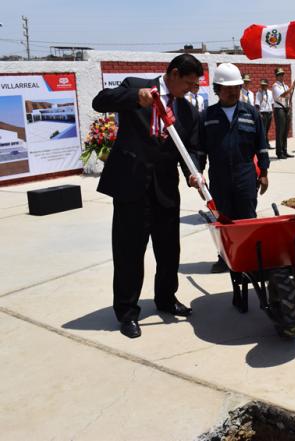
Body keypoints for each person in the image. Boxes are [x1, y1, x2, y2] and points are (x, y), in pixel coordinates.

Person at [92, 54, 203, 338]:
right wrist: (133, 97)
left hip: (165, 188)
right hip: (132, 186)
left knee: (169, 250)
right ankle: (127, 312)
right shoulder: (138, 87)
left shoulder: (187, 111)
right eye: (188, 83)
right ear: (174, 74)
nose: (191, 89)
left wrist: (194, 170)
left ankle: (166, 299)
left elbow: (189, 149)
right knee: (129, 252)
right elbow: (100, 101)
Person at [189, 63, 269, 273]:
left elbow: (261, 146)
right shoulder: (207, 116)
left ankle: (250, 259)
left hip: (245, 176)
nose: (233, 92)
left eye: (236, 87)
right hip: (219, 177)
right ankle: (225, 258)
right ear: (217, 89)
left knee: (247, 219)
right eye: (228, 88)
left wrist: (264, 172)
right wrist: (199, 175)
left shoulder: (251, 113)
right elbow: (200, 151)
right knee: (223, 220)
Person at [272, 68, 295, 159]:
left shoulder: (285, 86)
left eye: (282, 74)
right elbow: (282, 95)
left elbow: (288, 96)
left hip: (286, 109)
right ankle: (279, 152)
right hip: (279, 109)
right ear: (277, 76)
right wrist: (292, 87)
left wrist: (291, 90)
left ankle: (284, 150)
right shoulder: (275, 86)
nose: (282, 76)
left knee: (286, 131)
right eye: (280, 75)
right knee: (280, 131)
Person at [255, 79, 274, 149]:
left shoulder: (270, 92)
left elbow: (272, 103)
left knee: (267, 130)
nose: (263, 86)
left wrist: (272, 112)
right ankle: (264, 144)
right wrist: (259, 113)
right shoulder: (258, 93)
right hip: (263, 113)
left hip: (269, 113)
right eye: (262, 85)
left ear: (267, 85)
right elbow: (257, 105)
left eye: (265, 85)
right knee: (263, 130)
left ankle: (266, 144)